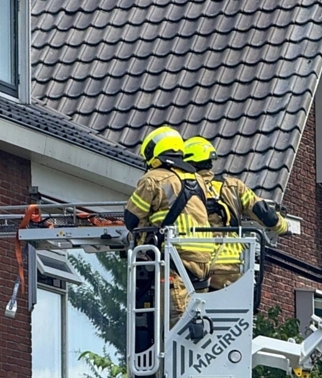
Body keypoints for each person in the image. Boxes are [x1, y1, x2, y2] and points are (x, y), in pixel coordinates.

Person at [124, 126, 215, 323]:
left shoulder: (152, 179)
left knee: (177, 322)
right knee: (196, 312)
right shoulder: (198, 180)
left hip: (176, 256)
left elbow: (131, 219)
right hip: (204, 259)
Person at [183, 136, 289, 290]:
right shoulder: (233, 186)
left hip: (194, 266)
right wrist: (284, 227)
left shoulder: (181, 190)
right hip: (230, 267)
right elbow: (263, 212)